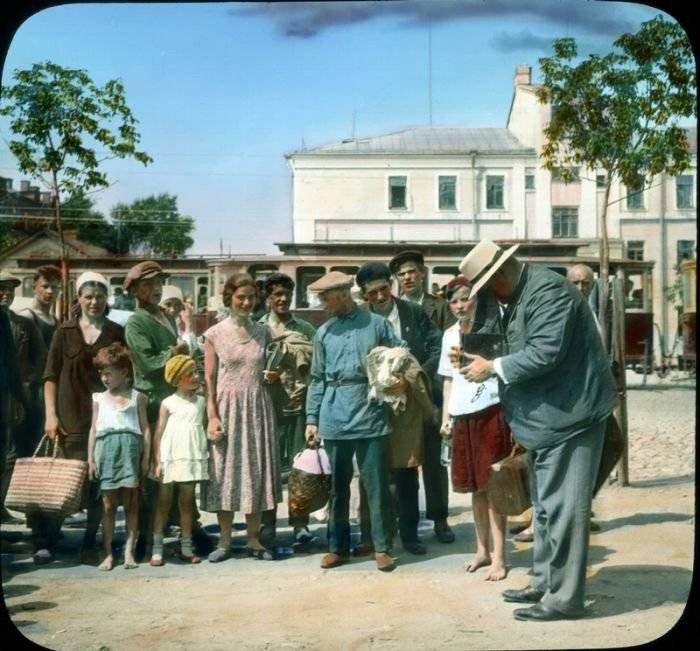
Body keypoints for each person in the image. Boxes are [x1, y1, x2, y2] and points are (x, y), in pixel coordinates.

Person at [459, 239, 614, 621]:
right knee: (544, 508)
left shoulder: (548, 291)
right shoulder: (519, 293)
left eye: (486, 286)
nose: (488, 295)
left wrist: (491, 367)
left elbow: (546, 352)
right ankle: (545, 582)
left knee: (564, 510)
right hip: (548, 417)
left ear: (498, 275)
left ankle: (564, 599)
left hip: (571, 415)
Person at [304, 271, 403, 572]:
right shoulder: (324, 333)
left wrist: (395, 380)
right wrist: (312, 418)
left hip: (370, 412)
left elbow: (400, 356)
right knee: (337, 487)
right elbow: (317, 378)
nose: (322, 303)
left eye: (326, 297)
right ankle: (337, 547)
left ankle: (381, 547)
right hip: (334, 415)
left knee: (376, 485)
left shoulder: (377, 324)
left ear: (344, 294)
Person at [37, 271, 125, 565]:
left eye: (100, 296)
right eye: (88, 296)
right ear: (79, 299)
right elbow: (49, 376)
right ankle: (49, 541)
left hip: (103, 418)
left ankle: (90, 542)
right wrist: (51, 415)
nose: (94, 302)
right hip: (68, 418)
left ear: (106, 299)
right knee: (63, 480)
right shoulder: (65, 331)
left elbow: (125, 375)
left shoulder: (115, 332)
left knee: (99, 481)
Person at [354, 262, 442, 556]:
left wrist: (411, 380)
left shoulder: (413, 313)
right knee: (374, 472)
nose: (379, 297)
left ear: (391, 285)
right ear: (364, 295)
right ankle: (374, 536)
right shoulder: (360, 321)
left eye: (383, 289)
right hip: (372, 408)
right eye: (372, 293)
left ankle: (409, 535)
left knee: (406, 473)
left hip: (407, 408)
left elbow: (436, 349)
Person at [201, 273, 282, 562]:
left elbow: (270, 369)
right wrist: (212, 415)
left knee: (255, 471)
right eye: (241, 297)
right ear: (230, 298)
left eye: (250, 297)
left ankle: (253, 539)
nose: (246, 302)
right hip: (227, 408)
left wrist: (272, 376)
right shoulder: (214, 334)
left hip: (257, 407)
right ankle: (224, 542)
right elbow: (208, 379)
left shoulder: (264, 332)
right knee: (226, 473)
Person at [439, 276, 512, 580]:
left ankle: (500, 558)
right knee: (474, 488)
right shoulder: (449, 335)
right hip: (462, 414)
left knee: (494, 487)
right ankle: (481, 550)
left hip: (490, 412)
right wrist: (446, 416)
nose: (459, 305)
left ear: (476, 299)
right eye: (454, 301)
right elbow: (448, 379)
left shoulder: (493, 327)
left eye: (465, 298)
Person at [123, 261, 192, 561]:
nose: (154, 289)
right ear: (135, 290)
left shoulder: (165, 315)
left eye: (158, 283)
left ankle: (184, 529)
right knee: (155, 471)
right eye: (147, 285)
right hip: (153, 403)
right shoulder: (136, 322)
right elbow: (149, 363)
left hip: (174, 400)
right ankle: (146, 540)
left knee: (177, 465)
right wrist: (174, 354)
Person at [388, 249, 455, 544]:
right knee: (405, 460)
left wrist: (419, 376)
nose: (407, 278)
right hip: (401, 396)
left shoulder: (438, 307)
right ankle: (409, 524)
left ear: (422, 273)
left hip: (432, 390)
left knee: (433, 460)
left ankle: (440, 519)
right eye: (401, 274)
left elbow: (445, 348)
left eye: (412, 272)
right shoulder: (394, 309)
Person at [257, 272, 316, 548]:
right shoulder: (258, 329)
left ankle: (300, 524)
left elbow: (318, 365)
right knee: (268, 469)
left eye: (286, 295)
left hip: (299, 407)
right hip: (268, 408)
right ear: (267, 298)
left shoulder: (304, 328)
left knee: (300, 469)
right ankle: (267, 525)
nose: (282, 300)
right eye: (276, 295)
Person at [88, 342, 151, 570]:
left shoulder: (138, 398)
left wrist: (145, 458)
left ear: (124, 373)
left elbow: (145, 429)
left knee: (132, 504)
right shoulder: (98, 398)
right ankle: (107, 553)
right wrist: (91, 459)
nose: (104, 378)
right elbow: (94, 429)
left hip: (130, 451)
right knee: (108, 505)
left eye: (108, 373)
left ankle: (128, 552)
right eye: (101, 373)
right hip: (106, 451)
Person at [150, 355, 208, 566]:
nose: (195, 376)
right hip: (170, 457)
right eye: (190, 373)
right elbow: (159, 432)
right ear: (176, 378)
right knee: (164, 503)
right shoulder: (168, 403)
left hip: (191, 457)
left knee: (186, 503)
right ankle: (157, 549)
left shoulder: (201, 401)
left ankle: (186, 546)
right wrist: (158, 461)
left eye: (196, 372)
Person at [0, 270, 43, 524]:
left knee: (8, 455)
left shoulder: (18, 323)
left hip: (8, 399)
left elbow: (19, 365)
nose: (5, 294)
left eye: (10, 289)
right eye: (1, 288)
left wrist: (20, 394)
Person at [159, 285, 199, 355]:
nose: (172, 310)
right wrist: (188, 324)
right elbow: (187, 353)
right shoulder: (159, 327)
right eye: (168, 305)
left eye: (177, 305)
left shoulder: (175, 327)